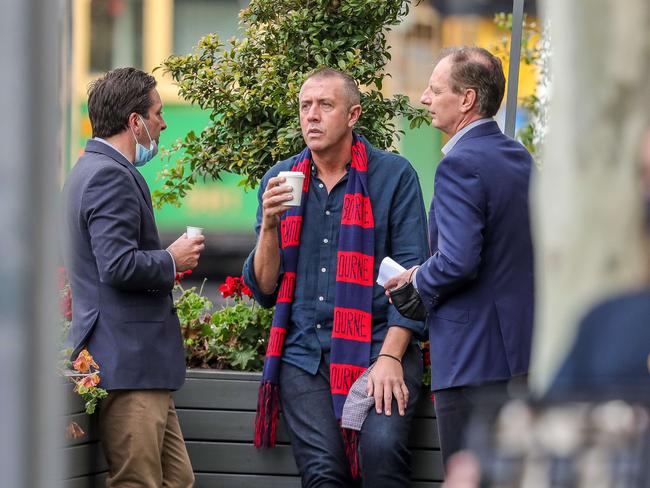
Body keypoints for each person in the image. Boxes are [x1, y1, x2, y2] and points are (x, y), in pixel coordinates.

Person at [243, 67, 429, 487]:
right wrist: (270, 227)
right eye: (305, 106)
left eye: (325, 105)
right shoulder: (281, 179)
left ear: (352, 115)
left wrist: (389, 358)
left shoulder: (394, 176)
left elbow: (413, 283)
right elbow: (266, 288)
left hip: (379, 347)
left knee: (381, 457)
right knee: (324, 476)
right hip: (304, 356)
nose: (312, 116)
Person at [384, 47, 535, 468]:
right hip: (520, 355)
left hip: (471, 359)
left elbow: (458, 261)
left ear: (467, 99)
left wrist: (414, 283)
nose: (424, 99)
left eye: (434, 90)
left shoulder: (459, 165)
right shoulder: (519, 158)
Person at [62, 67, 204, 487]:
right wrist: (171, 258)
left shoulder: (89, 168)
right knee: (137, 481)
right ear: (134, 121)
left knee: (178, 480)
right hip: (127, 363)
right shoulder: (110, 175)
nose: (163, 122)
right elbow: (118, 265)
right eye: (157, 113)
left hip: (137, 366)